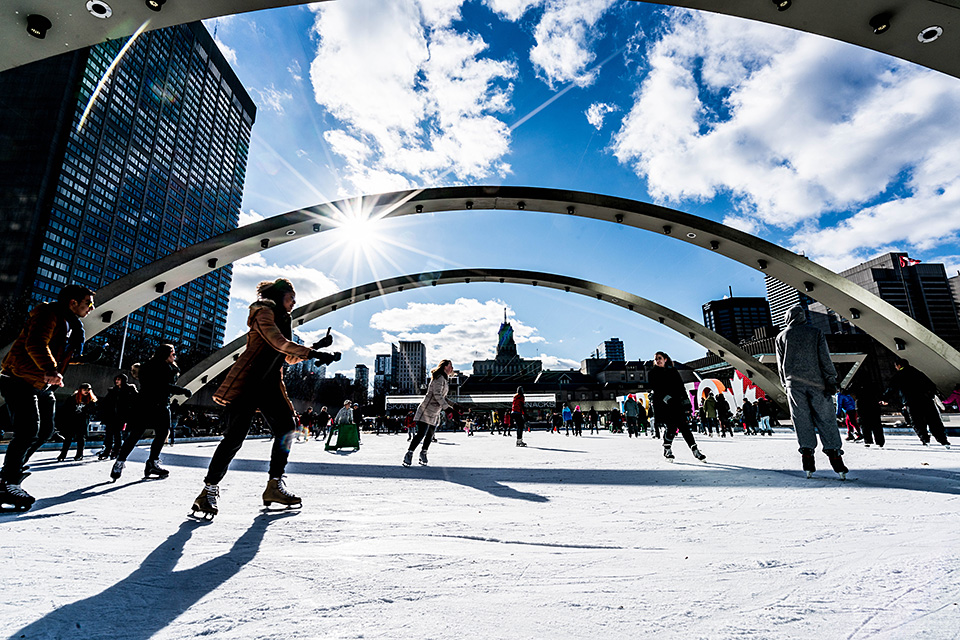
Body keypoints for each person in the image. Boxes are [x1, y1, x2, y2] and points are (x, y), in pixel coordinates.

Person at [192, 278, 339, 516]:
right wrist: (312, 352)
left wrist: (317, 348)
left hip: (270, 385)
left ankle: (274, 485)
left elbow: (287, 356)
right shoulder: (264, 312)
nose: (293, 303)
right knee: (235, 438)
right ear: (281, 296)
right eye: (291, 298)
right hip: (250, 382)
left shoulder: (284, 319)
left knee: (287, 428)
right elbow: (276, 341)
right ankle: (208, 491)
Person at [0, 284, 95, 511]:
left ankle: (10, 473)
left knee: (45, 431)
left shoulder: (70, 324)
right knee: (28, 430)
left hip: (41, 383)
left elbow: (57, 351)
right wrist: (51, 370)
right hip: (19, 377)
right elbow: (35, 344)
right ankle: (7, 482)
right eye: (88, 303)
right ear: (73, 302)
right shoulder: (48, 314)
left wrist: (82, 359)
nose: (91, 308)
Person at [775, 305, 848, 479]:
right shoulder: (815, 332)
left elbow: (780, 366)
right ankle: (836, 459)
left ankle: (807, 460)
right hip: (818, 383)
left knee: (801, 421)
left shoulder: (781, 337)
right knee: (826, 419)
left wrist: (786, 384)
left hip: (794, 386)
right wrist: (831, 379)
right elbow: (824, 357)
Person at [111, 344, 191, 481]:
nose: (175, 356)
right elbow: (159, 386)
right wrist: (182, 390)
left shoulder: (170, 368)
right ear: (165, 354)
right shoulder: (150, 367)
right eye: (173, 353)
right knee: (136, 433)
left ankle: (152, 463)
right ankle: (120, 461)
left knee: (162, 433)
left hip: (162, 405)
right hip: (146, 404)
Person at [648, 351, 706, 462]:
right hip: (664, 405)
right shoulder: (653, 373)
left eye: (659, 358)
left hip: (677, 403)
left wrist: (686, 402)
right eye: (656, 359)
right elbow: (656, 388)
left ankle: (695, 450)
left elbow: (680, 387)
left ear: (665, 359)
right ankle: (667, 448)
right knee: (671, 427)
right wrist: (666, 398)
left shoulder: (673, 371)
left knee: (684, 427)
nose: (658, 360)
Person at [882, 357, 951, 448]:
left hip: (911, 402)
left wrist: (885, 399)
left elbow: (891, 389)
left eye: (896, 366)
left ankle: (925, 440)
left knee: (917, 422)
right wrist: (930, 395)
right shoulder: (918, 373)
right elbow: (931, 385)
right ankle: (943, 440)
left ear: (899, 366)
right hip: (925, 400)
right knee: (933, 420)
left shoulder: (898, 376)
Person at [403, 359, 454, 466]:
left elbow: (444, 397)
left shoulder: (444, 380)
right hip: (426, 410)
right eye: (450, 366)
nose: (452, 368)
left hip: (435, 412)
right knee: (421, 433)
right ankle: (409, 453)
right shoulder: (439, 378)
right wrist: (447, 408)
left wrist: (455, 406)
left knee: (430, 435)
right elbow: (437, 395)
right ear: (445, 367)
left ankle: (423, 453)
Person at [98, 374, 137, 460]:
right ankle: (107, 451)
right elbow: (106, 403)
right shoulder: (112, 391)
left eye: (119, 379)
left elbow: (135, 400)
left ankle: (116, 451)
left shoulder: (129, 390)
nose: (117, 381)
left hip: (121, 416)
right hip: (111, 416)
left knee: (117, 434)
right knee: (108, 434)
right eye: (116, 379)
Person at [56, 383, 97, 461]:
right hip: (72, 421)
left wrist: (88, 415)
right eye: (84, 390)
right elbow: (65, 409)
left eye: (88, 390)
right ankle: (62, 455)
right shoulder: (73, 398)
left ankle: (79, 455)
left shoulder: (91, 400)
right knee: (68, 438)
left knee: (81, 438)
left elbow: (93, 410)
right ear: (80, 390)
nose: (86, 391)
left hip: (82, 422)